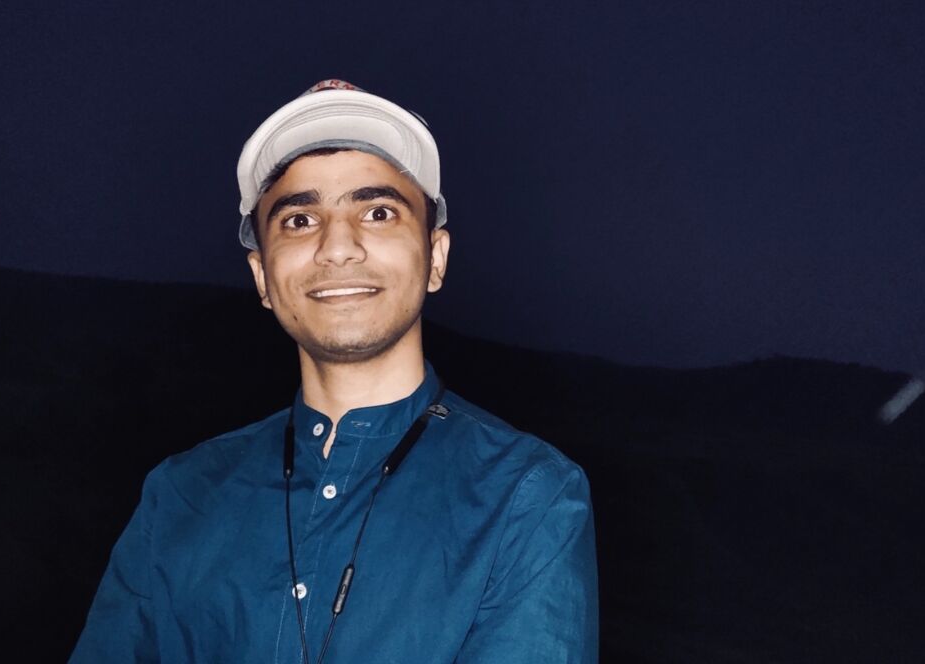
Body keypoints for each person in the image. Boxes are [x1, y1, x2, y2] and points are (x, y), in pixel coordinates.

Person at [69, 79, 598, 663]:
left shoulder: (528, 495)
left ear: (436, 258)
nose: (337, 247)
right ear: (262, 277)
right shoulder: (180, 493)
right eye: (299, 220)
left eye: (378, 212)